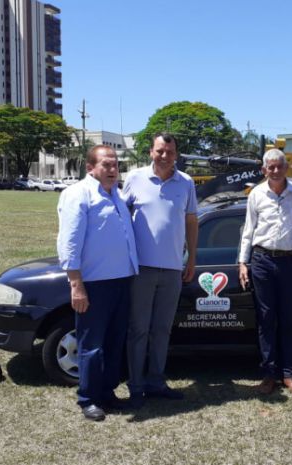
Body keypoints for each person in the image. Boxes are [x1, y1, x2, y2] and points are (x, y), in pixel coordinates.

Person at [56, 144, 138, 421]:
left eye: (115, 164)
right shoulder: (78, 195)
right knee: (92, 345)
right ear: (90, 168)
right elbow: (69, 242)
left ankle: (107, 392)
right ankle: (88, 398)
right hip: (94, 284)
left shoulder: (117, 195)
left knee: (115, 342)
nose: (113, 169)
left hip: (121, 280)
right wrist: (75, 284)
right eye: (106, 164)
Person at [122, 132, 198, 408]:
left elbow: (191, 221)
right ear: (150, 152)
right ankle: (136, 385)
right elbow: (122, 218)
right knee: (138, 329)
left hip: (172, 270)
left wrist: (191, 261)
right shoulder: (134, 178)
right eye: (159, 151)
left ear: (176, 153)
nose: (165, 156)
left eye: (170, 151)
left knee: (162, 330)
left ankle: (156, 381)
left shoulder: (186, 183)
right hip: (140, 268)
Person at [238, 149, 292, 395]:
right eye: (271, 167)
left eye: (279, 166)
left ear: (286, 167)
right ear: (264, 170)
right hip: (262, 260)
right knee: (266, 319)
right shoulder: (256, 194)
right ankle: (269, 374)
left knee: (288, 319)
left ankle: (289, 374)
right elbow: (248, 229)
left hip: (289, 262)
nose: (275, 171)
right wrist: (243, 262)